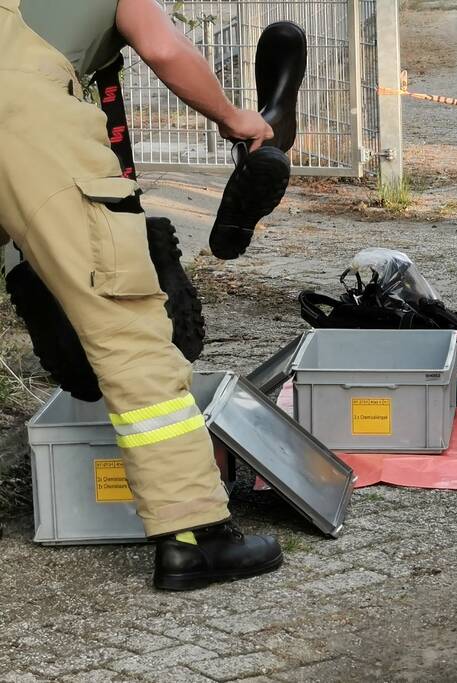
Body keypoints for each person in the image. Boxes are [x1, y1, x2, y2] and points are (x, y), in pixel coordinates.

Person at [0, 0, 284, 590]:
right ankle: (194, 537)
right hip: (25, 121)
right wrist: (236, 118)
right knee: (128, 330)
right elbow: (162, 47)